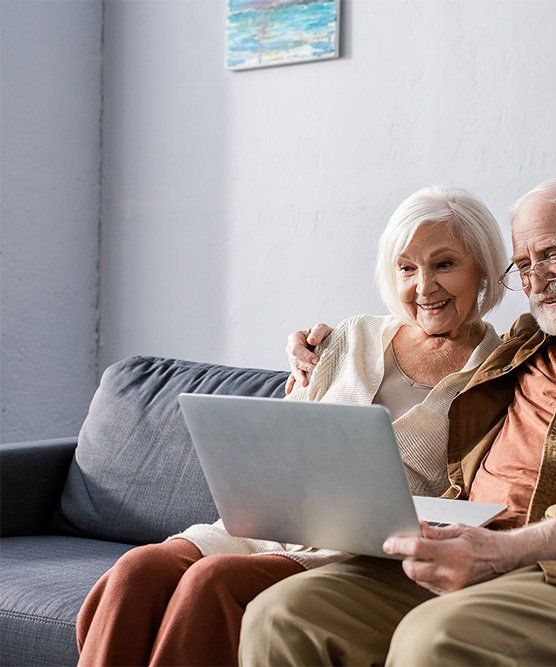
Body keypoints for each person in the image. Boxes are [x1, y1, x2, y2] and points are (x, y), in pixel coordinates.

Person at [245, 178, 556, 665]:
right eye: (523, 265)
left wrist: (506, 550)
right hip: (471, 546)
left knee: (435, 637)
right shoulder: (523, 344)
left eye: (551, 254)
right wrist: (324, 346)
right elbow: (426, 333)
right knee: (282, 614)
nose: (537, 280)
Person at [74, 186, 508, 667]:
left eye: (444, 264)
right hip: (272, 526)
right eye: (407, 268)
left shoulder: (503, 370)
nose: (423, 287)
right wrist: (300, 372)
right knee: (138, 569)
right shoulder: (350, 336)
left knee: (210, 583)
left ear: (483, 267)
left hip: (358, 554)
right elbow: (288, 427)